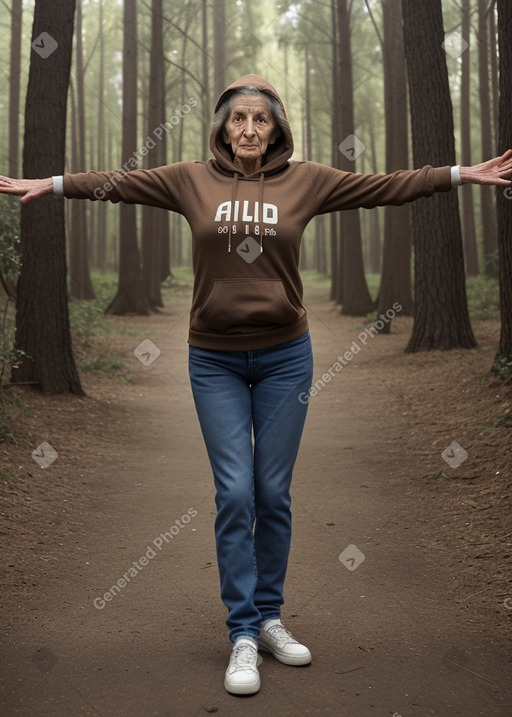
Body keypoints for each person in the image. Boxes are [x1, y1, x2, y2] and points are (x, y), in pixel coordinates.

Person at [1, 74, 511, 696]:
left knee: (272, 492)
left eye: (259, 120)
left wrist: (461, 173)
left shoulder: (308, 180)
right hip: (213, 360)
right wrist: (48, 184)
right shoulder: (190, 179)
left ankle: (270, 618)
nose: (247, 130)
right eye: (237, 120)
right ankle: (241, 633)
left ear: (276, 129)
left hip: (285, 360)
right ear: (221, 128)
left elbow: (386, 186)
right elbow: (116, 184)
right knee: (235, 492)